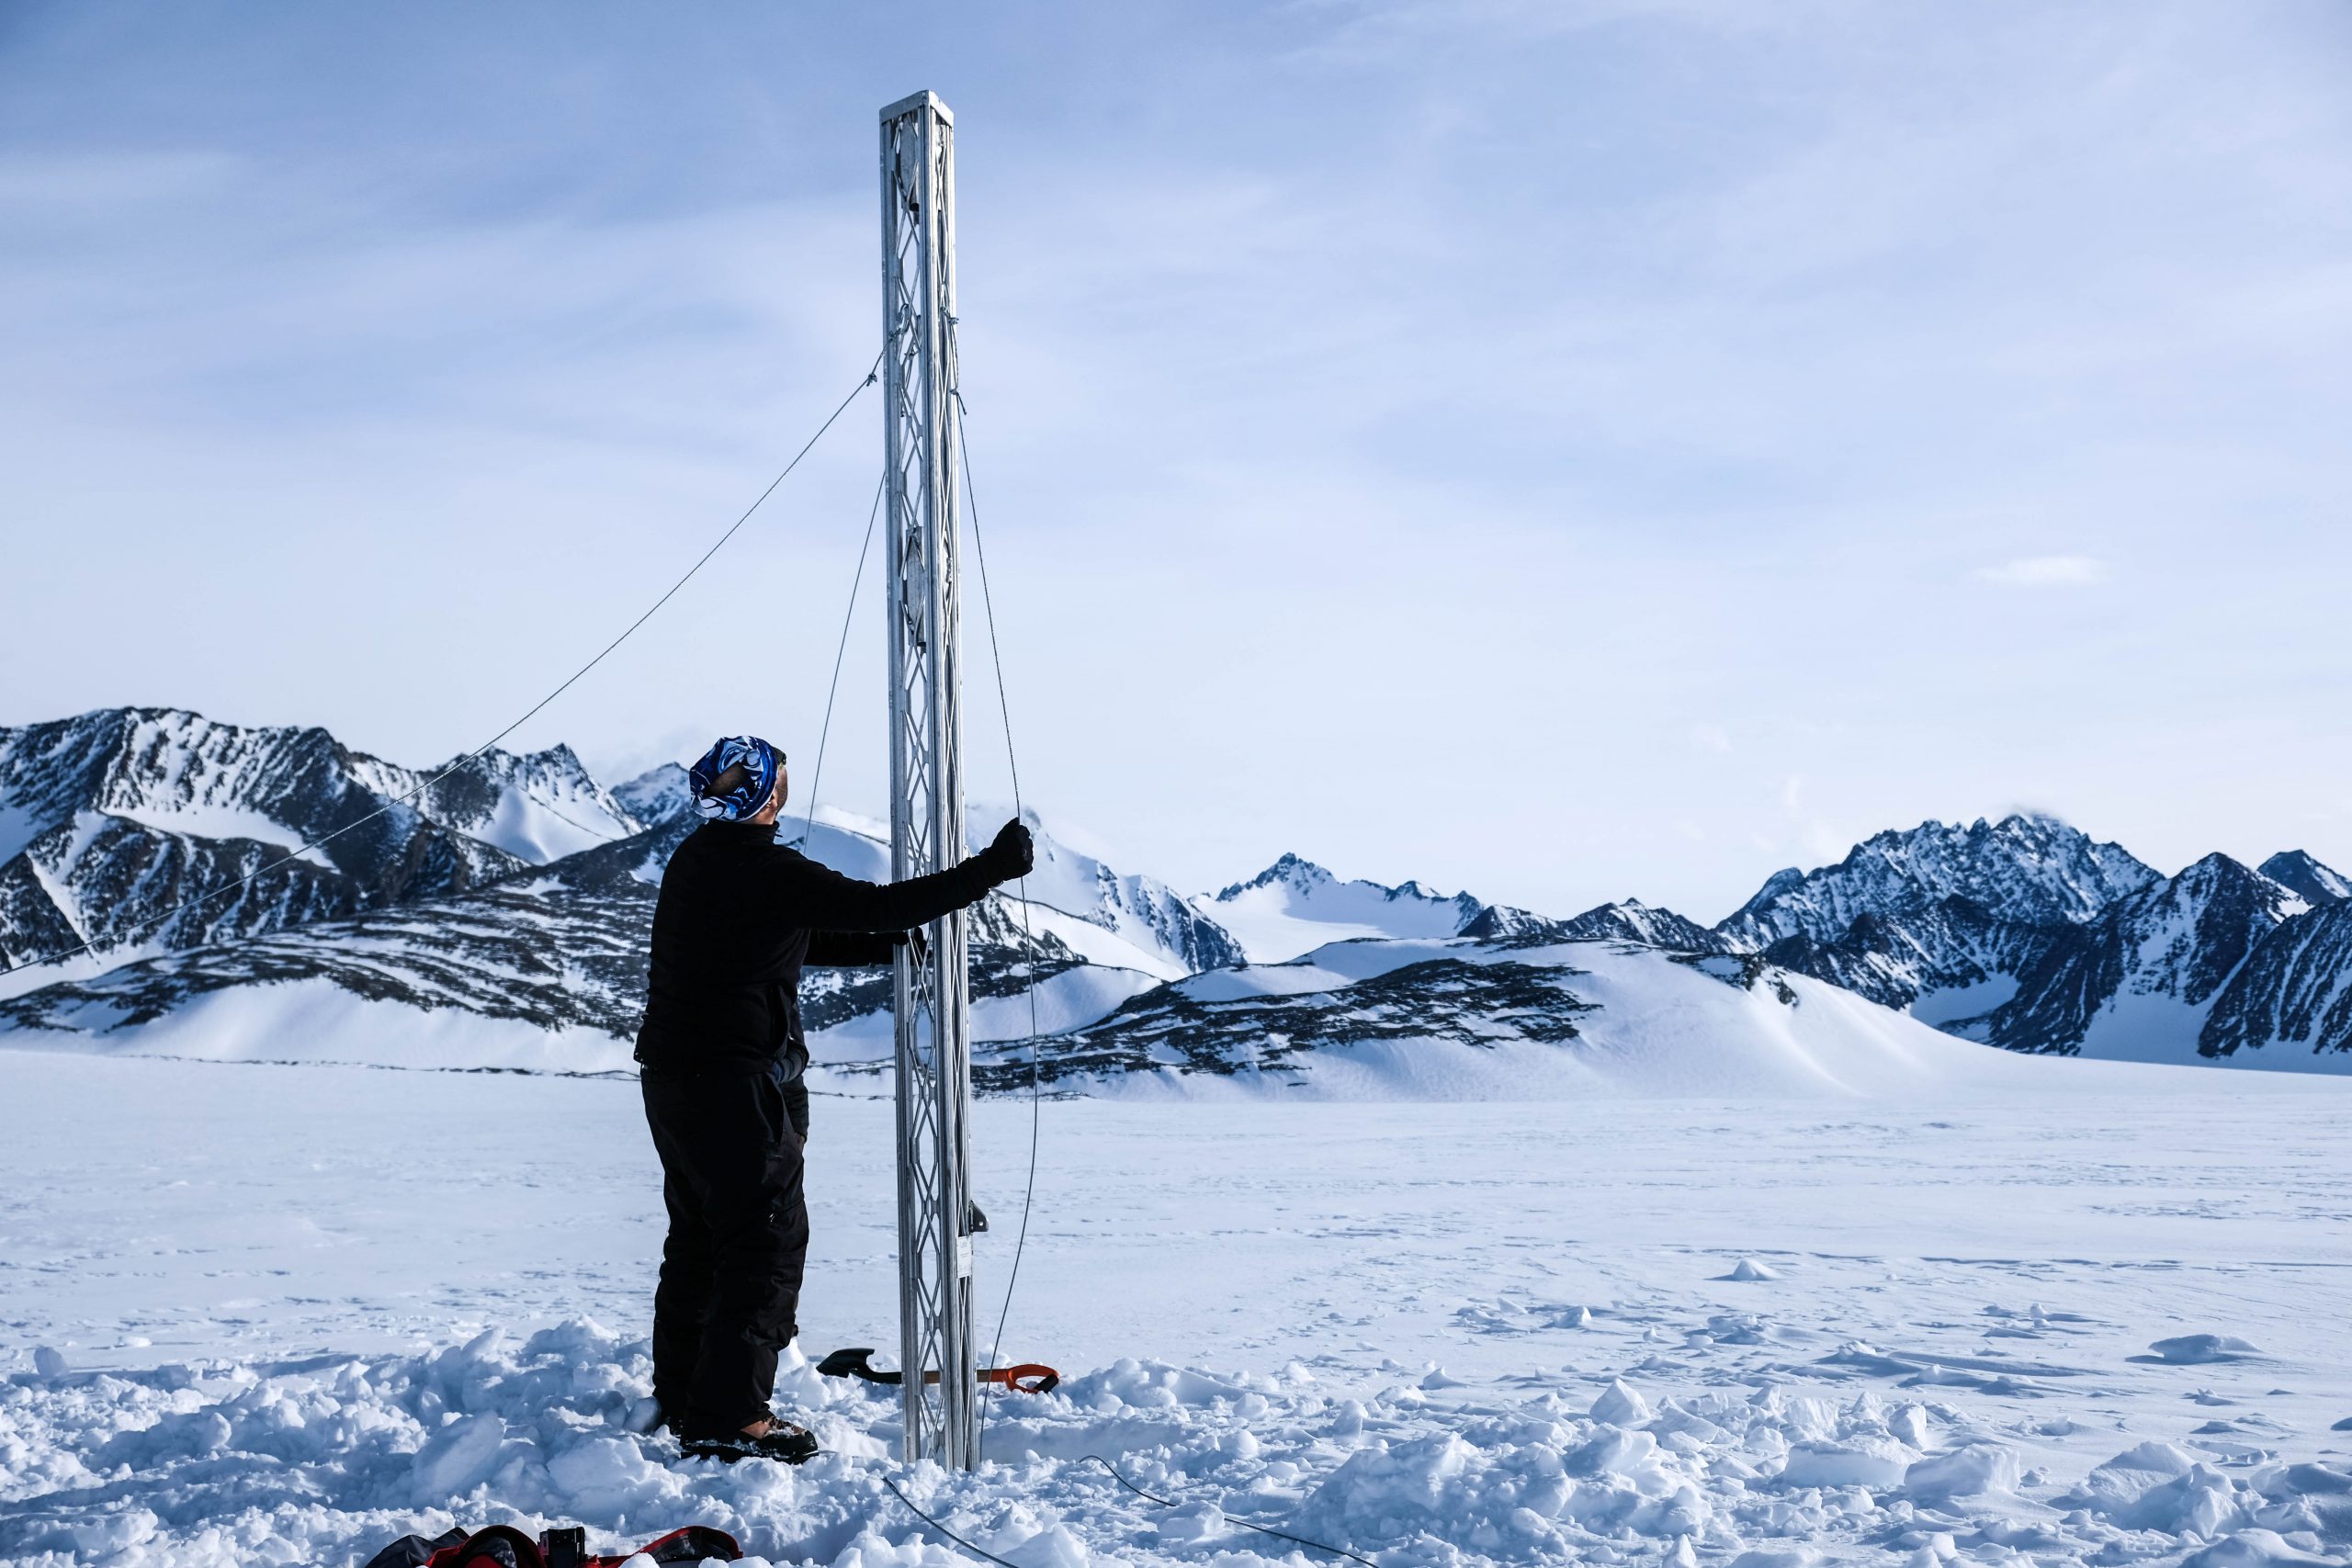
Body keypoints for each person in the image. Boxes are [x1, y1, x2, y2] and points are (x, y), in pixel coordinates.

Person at [633, 733, 1033, 1463]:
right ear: (769, 794)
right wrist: (992, 869)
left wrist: (892, 947)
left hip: (676, 1079)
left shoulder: (701, 859)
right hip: (733, 1083)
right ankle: (729, 1416)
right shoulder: (762, 864)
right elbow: (877, 904)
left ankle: (687, 1390)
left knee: (700, 1237)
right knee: (763, 1242)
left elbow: (790, 935)